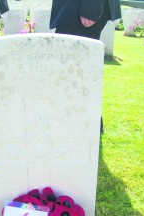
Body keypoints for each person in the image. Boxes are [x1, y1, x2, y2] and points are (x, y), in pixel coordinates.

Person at [50, 0, 121, 133]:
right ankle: (84, 123)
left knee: (74, 73)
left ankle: (84, 124)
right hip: (77, 10)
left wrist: (91, 8)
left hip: (81, 10)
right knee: (72, 73)